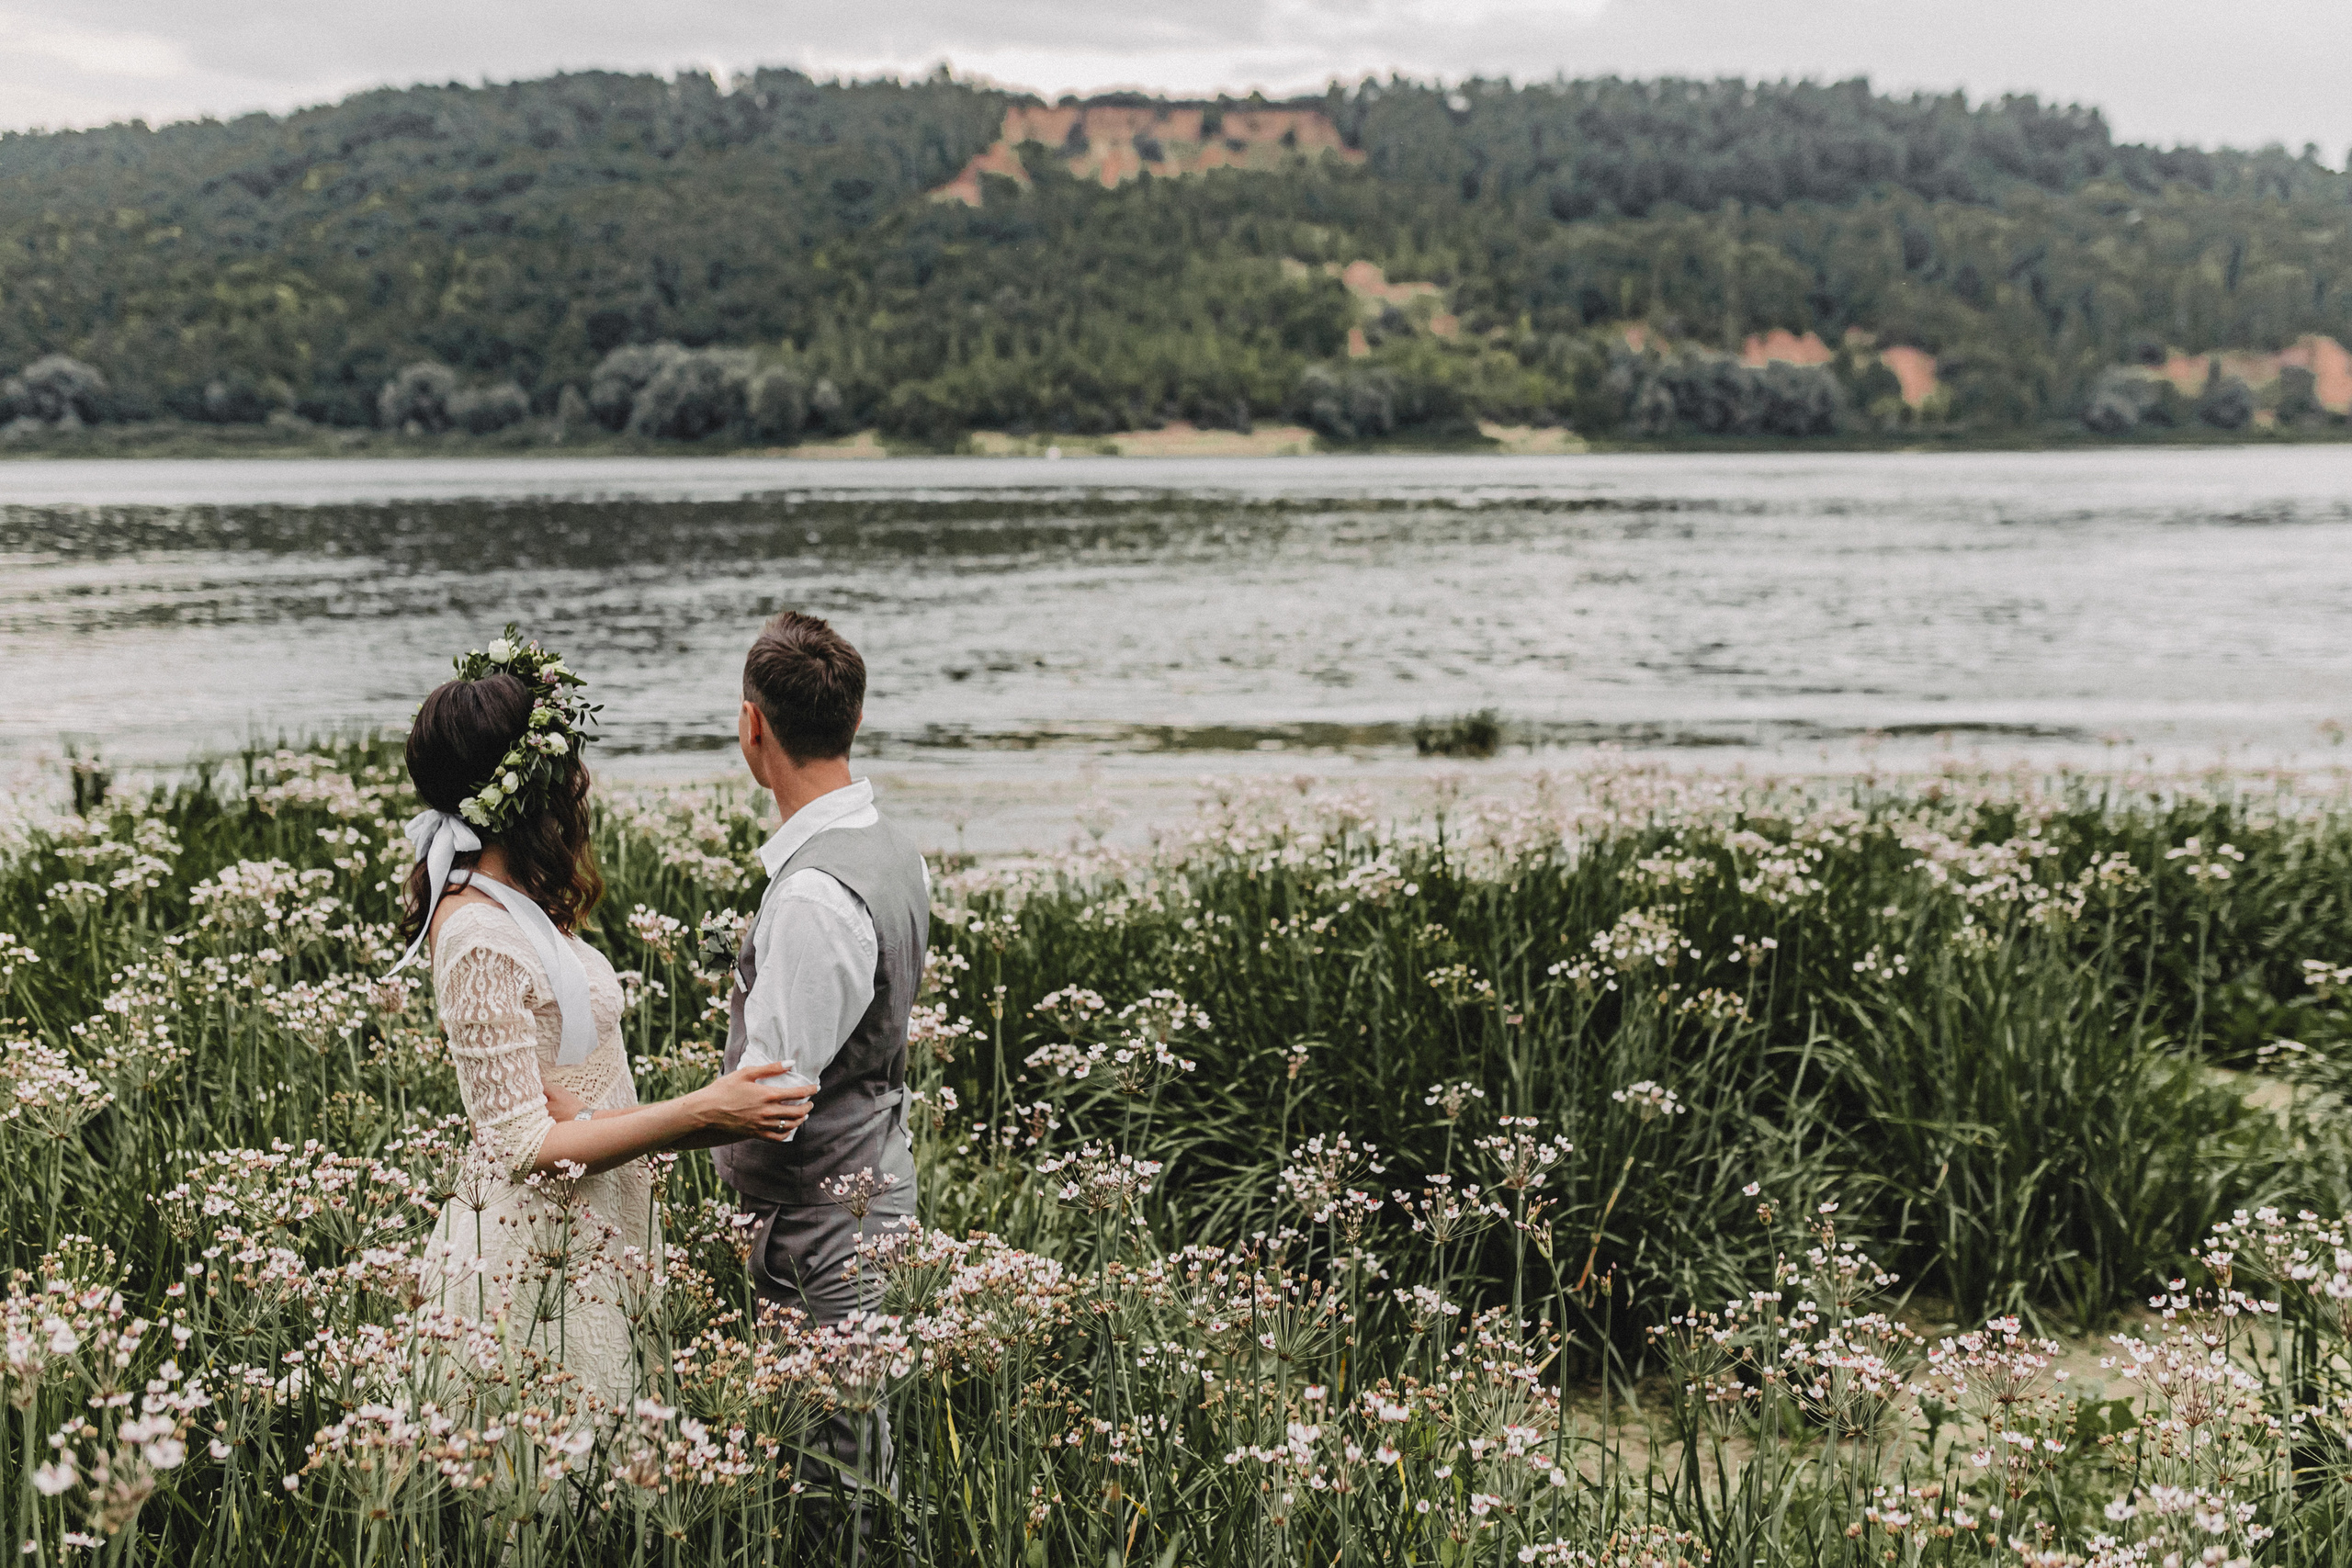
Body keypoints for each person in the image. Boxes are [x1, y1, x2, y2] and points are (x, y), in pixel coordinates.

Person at [393, 626, 810, 1408]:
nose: (578, 778)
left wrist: (624, 1112)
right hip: (536, 1249)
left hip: (598, 1213)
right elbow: (522, 1145)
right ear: (533, 786)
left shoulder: (518, 899)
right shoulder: (478, 932)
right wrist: (698, 1111)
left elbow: (564, 1100)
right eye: (563, 764)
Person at [715, 610, 930, 1508]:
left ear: (751, 726)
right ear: (853, 720)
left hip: (822, 1225)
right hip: (872, 1189)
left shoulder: (811, 893)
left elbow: (772, 1094)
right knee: (854, 1467)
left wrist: (620, 1129)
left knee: (835, 1496)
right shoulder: (890, 846)